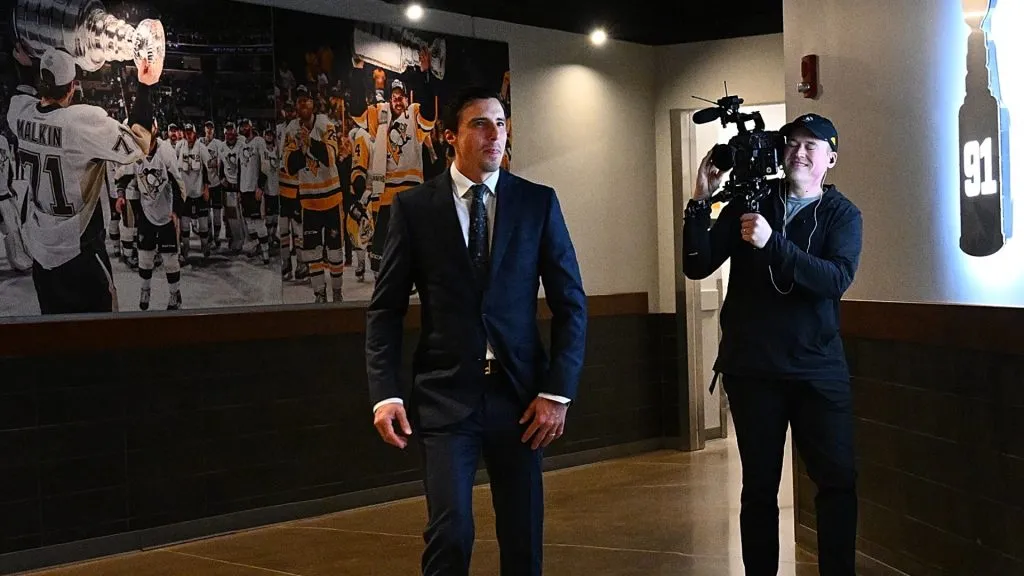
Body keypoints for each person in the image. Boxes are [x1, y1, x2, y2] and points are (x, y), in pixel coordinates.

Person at [365, 86, 587, 576]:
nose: (495, 135)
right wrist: (386, 394)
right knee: (451, 533)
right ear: (451, 137)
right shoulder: (415, 209)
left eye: (501, 124)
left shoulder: (537, 204)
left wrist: (558, 392)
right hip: (445, 397)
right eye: (480, 125)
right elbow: (385, 312)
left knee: (523, 537)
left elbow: (572, 303)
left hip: (522, 400)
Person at [682, 113, 862, 576]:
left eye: (811, 145)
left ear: (830, 159)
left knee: (837, 482)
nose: (799, 153)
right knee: (759, 488)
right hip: (754, 370)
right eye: (792, 144)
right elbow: (697, 264)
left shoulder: (843, 215)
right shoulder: (751, 200)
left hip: (817, 371)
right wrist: (701, 200)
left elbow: (834, 280)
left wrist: (771, 243)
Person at [7, 46, 160, 314]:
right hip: (80, 249)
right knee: (99, 334)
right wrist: (145, 84)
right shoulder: (80, 122)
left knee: (55, 333)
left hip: (40, 250)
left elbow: (24, 93)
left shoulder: (19, 113)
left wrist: (27, 67)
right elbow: (141, 143)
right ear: (72, 86)